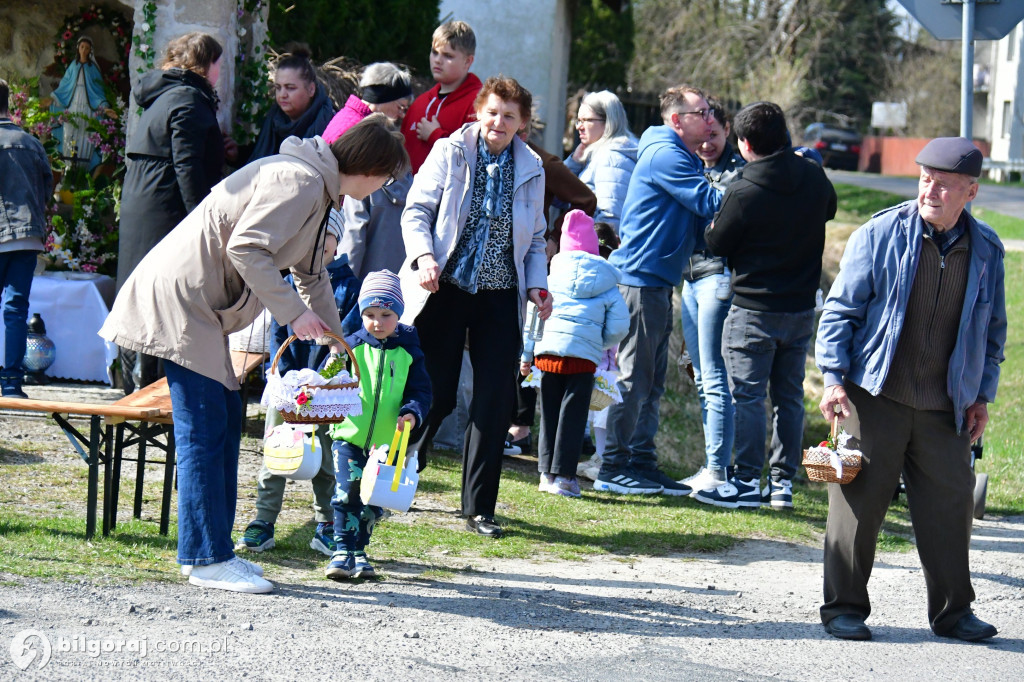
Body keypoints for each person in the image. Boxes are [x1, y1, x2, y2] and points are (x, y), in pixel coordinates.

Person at [100, 115, 409, 594]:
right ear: (372, 169)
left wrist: (335, 338)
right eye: (386, 179)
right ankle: (207, 559)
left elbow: (312, 276)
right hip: (182, 301)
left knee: (222, 415)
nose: (382, 188)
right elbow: (247, 248)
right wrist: (296, 316)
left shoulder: (318, 186)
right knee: (205, 426)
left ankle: (210, 552)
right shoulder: (300, 180)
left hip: (198, 306)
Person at [815, 137, 1005, 642]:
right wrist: (833, 380)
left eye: (944, 184)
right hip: (875, 394)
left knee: (951, 506)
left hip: (946, 405)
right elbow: (841, 312)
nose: (931, 190)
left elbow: (993, 333)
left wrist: (980, 396)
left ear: (971, 192)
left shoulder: (986, 249)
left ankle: (953, 613)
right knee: (856, 505)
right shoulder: (881, 234)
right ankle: (844, 609)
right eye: (925, 179)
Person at [400, 76, 551, 538]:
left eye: (509, 116)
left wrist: (537, 287)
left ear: (522, 123)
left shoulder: (532, 168)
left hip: (500, 294)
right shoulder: (450, 151)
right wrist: (424, 256)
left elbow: (537, 239)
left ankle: (479, 508)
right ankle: (402, 469)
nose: (498, 122)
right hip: (444, 287)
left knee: (494, 399)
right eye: (492, 112)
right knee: (438, 392)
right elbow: (416, 211)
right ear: (478, 113)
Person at [697, 102, 836, 510]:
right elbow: (830, 209)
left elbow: (716, 243)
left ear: (743, 143)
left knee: (749, 397)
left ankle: (743, 480)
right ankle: (782, 484)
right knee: (789, 398)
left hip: (752, 310)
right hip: (798, 311)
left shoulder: (742, 189)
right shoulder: (812, 176)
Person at [593, 85, 722, 496]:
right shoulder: (667, 154)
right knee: (634, 378)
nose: (709, 118)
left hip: (657, 282)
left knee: (651, 380)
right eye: (700, 112)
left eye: (709, 111)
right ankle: (613, 467)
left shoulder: (679, 152)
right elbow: (709, 201)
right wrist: (751, 187)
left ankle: (641, 462)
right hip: (641, 281)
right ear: (676, 120)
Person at [237, 215, 361, 558]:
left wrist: (322, 380)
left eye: (327, 241)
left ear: (338, 242)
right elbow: (281, 332)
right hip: (289, 390)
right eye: (312, 242)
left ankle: (325, 524)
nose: (320, 249)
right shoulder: (289, 282)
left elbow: (345, 338)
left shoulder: (350, 288)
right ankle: (263, 521)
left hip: (326, 393)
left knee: (324, 457)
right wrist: (289, 380)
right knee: (276, 451)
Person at [117, 32, 228, 393]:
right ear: (206, 64)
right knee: (160, 292)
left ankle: (135, 378)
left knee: (140, 286)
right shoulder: (189, 98)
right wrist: (202, 221)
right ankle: (148, 385)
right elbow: (187, 166)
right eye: (219, 64)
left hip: (145, 198)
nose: (220, 72)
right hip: (164, 204)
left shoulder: (166, 94)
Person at [325, 270, 431, 579]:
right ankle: (341, 550)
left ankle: (359, 550)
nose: (377, 321)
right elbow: (329, 379)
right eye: (370, 314)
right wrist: (333, 363)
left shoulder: (409, 352)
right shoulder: (352, 346)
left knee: (374, 501)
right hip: (349, 435)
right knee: (346, 495)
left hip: (388, 443)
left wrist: (413, 412)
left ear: (398, 314)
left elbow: (420, 391)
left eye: (386, 314)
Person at [521, 210, 628, 497]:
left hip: (548, 355)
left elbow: (533, 315)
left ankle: (546, 473)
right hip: (583, 360)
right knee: (574, 415)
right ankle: (566, 477)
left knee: (550, 414)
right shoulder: (606, 282)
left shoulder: (549, 276)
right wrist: (597, 342)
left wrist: (527, 355)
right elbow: (619, 326)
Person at [506, 118, 598, 455]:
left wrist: (556, 238)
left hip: (532, 262)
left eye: (511, 124)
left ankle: (520, 427)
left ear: (524, 130)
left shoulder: (545, 163)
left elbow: (586, 200)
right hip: (500, 261)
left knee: (527, 343)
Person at [677, 101, 745, 495]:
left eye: (714, 136)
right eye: (701, 137)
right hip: (689, 278)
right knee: (702, 377)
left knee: (715, 376)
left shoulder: (736, 172)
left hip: (716, 278)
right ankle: (712, 466)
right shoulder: (686, 164)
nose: (706, 144)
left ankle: (719, 470)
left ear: (727, 131)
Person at [0, 79, 52, 399]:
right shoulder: (32, 143)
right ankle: (11, 383)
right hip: (28, 237)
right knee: (16, 309)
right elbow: (46, 192)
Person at [400, 20, 482, 173]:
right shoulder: (420, 102)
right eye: (434, 52)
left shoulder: (480, 105)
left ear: (468, 61)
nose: (437, 60)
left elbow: (476, 161)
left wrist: (436, 136)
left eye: (448, 56)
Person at [564, 91, 637, 233]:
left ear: (608, 122)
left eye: (586, 120)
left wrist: (597, 250)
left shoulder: (611, 159)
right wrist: (574, 163)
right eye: (579, 120)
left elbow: (611, 219)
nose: (579, 126)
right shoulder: (594, 155)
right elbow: (558, 197)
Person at [248, 47, 335, 163]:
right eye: (278, 88)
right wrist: (237, 155)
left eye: (290, 88)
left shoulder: (329, 123)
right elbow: (259, 156)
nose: (282, 95)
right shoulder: (273, 120)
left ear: (311, 89)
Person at [48, 36, 113, 167]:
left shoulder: (93, 69)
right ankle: (68, 167)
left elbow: (98, 90)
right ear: (78, 48)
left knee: (85, 134)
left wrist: (104, 107)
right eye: (82, 47)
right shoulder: (73, 66)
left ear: (90, 51)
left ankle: (83, 170)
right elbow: (65, 85)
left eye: (87, 48)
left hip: (87, 106)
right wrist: (53, 98)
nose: (84, 50)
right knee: (70, 131)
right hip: (73, 103)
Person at [323, 62, 414, 144]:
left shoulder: (347, 116)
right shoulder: (363, 129)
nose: (402, 115)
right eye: (401, 107)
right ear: (385, 98)